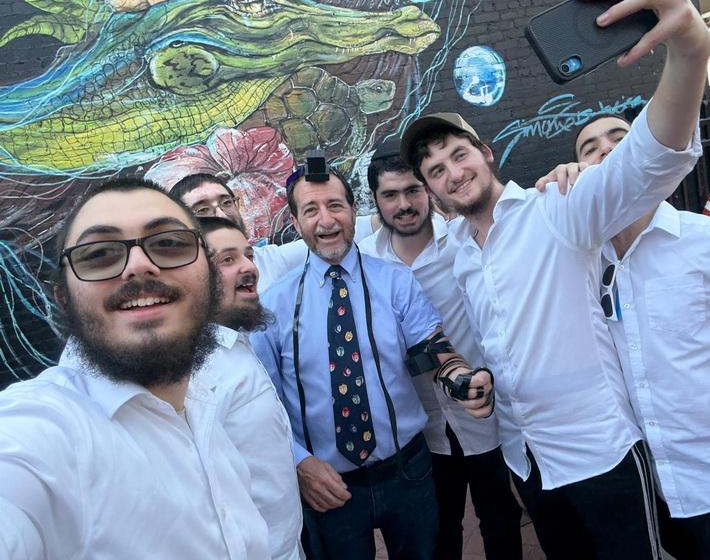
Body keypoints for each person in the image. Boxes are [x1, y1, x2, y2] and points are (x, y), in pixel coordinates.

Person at [400, 0, 710, 558]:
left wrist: (690, 50)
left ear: (486, 153)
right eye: (435, 170)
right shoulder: (457, 251)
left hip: (603, 456)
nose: (452, 173)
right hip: (529, 462)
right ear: (431, 190)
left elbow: (649, 160)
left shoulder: (558, 208)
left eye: (459, 155)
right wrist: (479, 381)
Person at [533, 113, 710, 559]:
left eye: (620, 139)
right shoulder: (582, 266)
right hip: (653, 499)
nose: (606, 151)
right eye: (589, 149)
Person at [0, 177, 271, 558]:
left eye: (169, 244)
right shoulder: (42, 432)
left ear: (210, 278)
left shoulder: (202, 404)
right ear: (63, 298)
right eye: (99, 253)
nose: (140, 266)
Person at [250, 165, 493, 560]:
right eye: (311, 210)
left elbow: (432, 351)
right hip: (327, 486)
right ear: (295, 222)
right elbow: (265, 405)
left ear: (353, 211)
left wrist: (462, 380)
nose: (326, 220)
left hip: (408, 472)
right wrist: (298, 464)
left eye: (335, 206)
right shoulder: (272, 306)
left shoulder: (396, 282)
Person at [359, 143, 523, 560]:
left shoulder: (463, 242)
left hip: (481, 409)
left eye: (413, 190)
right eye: (390, 195)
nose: (404, 204)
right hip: (422, 428)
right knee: (438, 530)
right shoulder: (366, 261)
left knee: (500, 518)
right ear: (375, 199)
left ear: (428, 191)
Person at [197, 216, 304, 560]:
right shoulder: (195, 373)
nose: (249, 267)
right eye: (228, 259)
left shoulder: (235, 343)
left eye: (248, 255)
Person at [170, 173, 378, 293]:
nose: (221, 215)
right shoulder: (181, 288)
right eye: (202, 209)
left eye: (226, 203)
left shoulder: (270, 261)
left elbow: (357, 230)